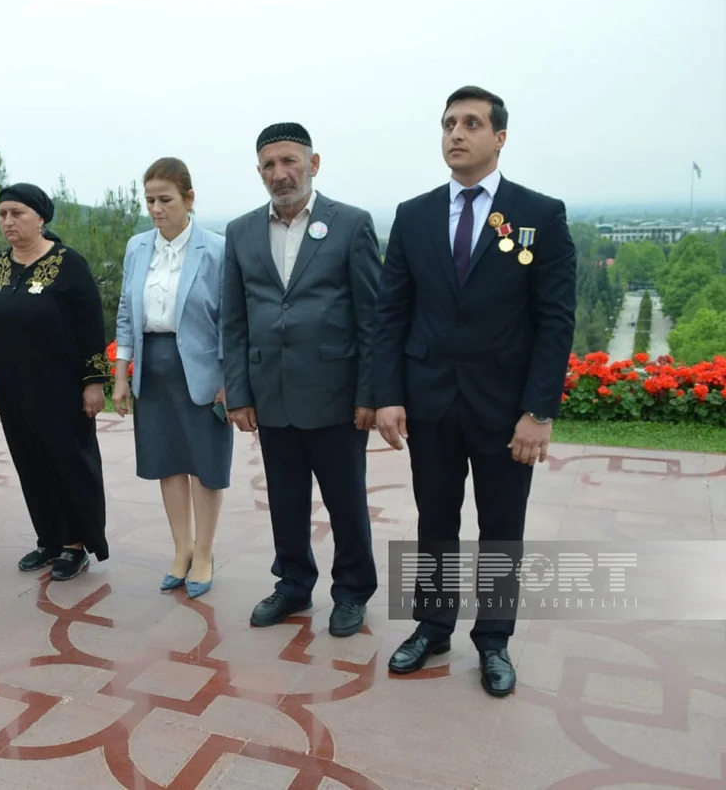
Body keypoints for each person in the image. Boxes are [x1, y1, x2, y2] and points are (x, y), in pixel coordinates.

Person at [371, 86, 577, 697]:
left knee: (501, 527)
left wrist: (538, 410)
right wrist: (388, 393)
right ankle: (432, 627)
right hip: (430, 399)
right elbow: (391, 312)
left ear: (499, 137)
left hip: (505, 407)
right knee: (434, 518)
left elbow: (555, 320)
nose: (455, 134)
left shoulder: (539, 214)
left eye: (470, 123)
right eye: (448, 124)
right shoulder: (414, 215)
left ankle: (493, 641)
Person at [222, 123, 382, 636]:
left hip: (337, 395)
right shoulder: (241, 232)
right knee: (285, 499)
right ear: (259, 172)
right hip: (271, 394)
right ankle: (292, 584)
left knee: (345, 502)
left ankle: (352, 591)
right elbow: (234, 320)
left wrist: (370, 393)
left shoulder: (351, 224)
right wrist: (239, 392)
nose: (280, 173)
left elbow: (372, 317)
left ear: (313, 164)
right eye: (269, 165)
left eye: (289, 161)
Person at [0, 182, 110, 581]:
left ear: (41, 218)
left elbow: (92, 327)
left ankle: (76, 543)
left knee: (68, 462)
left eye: (17, 213)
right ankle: (49, 538)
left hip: (61, 388)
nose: (8, 221)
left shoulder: (69, 265)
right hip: (13, 388)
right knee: (30, 463)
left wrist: (94, 382)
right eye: (2, 214)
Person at [112, 158, 232, 598]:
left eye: (165, 199)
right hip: (153, 367)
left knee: (205, 466)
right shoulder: (137, 247)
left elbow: (231, 321)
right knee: (168, 462)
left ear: (189, 198)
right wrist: (121, 374)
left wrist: (230, 379)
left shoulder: (217, 249)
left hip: (202, 372)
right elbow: (127, 312)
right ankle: (181, 549)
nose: (156, 209)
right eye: (149, 200)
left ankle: (204, 553)